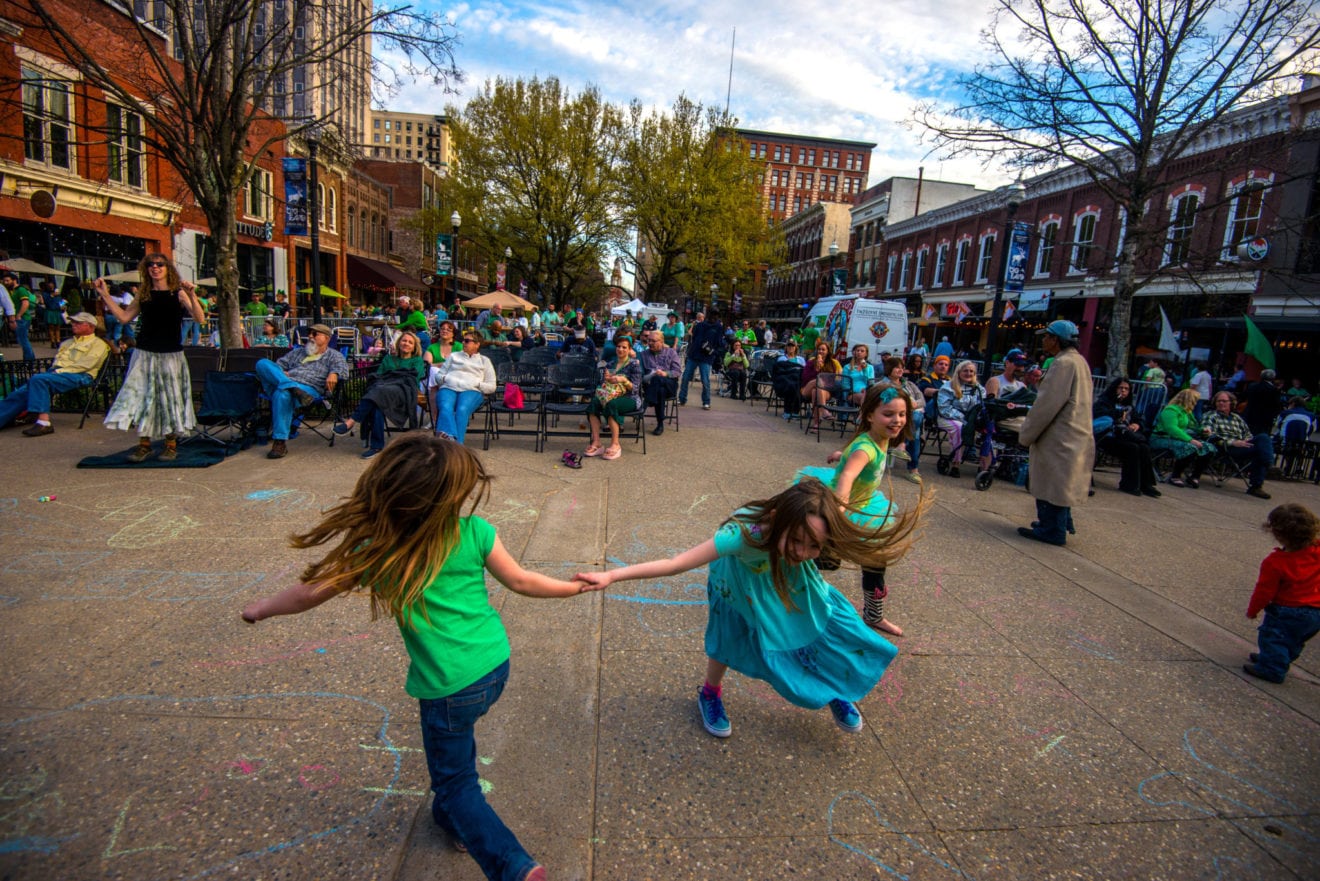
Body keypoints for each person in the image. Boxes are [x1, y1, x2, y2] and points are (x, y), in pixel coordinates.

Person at [241, 435, 591, 881]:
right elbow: (522, 582)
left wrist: (261, 608)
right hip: (494, 667)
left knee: (455, 781)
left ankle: (513, 867)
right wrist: (574, 586)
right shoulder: (475, 532)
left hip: (447, 686)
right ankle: (456, 821)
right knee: (457, 752)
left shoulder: (379, 549)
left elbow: (310, 593)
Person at [575, 479, 923, 738]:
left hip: (788, 577)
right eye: (797, 541)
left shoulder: (802, 541)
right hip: (739, 587)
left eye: (814, 546)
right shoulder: (741, 534)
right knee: (729, 639)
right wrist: (612, 575)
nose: (803, 551)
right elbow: (675, 563)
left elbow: (813, 540)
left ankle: (836, 688)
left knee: (822, 622)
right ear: (778, 519)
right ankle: (710, 693)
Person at [798, 383, 917, 636]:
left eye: (902, 414)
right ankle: (786, 590)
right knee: (824, 560)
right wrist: (836, 517)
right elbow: (846, 480)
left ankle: (873, 615)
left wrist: (841, 454)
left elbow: (856, 457)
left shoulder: (879, 438)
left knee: (875, 560)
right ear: (869, 415)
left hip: (863, 505)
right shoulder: (865, 449)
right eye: (889, 414)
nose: (897, 421)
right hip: (838, 507)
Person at [96, 254, 207, 463]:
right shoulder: (144, 294)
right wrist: (105, 295)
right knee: (142, 396)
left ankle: (170, 445)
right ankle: (144, 445)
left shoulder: (178, 293)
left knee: (170, 398)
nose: (155, 268)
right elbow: (123, 317)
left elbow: (200, 318)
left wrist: (192, 295)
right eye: (150, 265)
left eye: (160, 265)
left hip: (170, 353)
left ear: (167, 268)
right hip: (145, 352)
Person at [1017, 320, 1094, 546]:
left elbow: (1046, 405)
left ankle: (1052, 529)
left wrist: (1026, 433)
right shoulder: (1079, 361)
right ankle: (1053, 524)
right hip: (1073, 433)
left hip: (1059, 436)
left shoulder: (1063, 364)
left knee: (1052, 484)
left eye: (1046, 336)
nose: (1043, 340)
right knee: (1061, 483)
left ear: (1056, 339)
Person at [1242, 503, 1320, 684]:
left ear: (1278, 534)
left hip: (1288, 609)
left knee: (1273, 637)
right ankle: (1278, 658)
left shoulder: (1276, 562)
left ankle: (1272, 668)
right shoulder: (1316, 552)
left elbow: (1264, 591)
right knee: (1295, 639)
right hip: (1316, 611)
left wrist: (1253, 610)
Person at [0, 312, 110, 436]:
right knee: (20, 393)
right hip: (57, 373)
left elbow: (86, 365)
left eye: (78, 323)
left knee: (38, 380)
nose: (73, 324)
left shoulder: (98, 344)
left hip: (81, 375)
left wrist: (57, 372)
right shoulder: (67, 343)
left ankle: (44, 423)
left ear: (91, 326)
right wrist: (54, 372)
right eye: (73, 322)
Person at [254, 323, 348, 459]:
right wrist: (281, 373)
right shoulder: (297, 352)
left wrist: (334, 373)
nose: (310, 336)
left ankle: (280, 442)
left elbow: (343, 371)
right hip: (286, 385)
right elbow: (277, 366)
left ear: (326, 338)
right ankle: (292, 387)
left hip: (308, 389)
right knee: (262, 363)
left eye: (315, 334)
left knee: (282, 394)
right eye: (309, 333)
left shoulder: (334, 356)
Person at [334, 331, 428, 459]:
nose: (406, 343)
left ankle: (351, 421)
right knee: (377, 405)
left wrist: (392, 376)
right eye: (404, 340)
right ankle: (376, 446)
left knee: (377, 393)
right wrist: (395, 375)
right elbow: (379, 376)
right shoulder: (389, 358)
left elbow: (412, 379)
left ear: (414, 347)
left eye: (410, 342)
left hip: (403, 392)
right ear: (399, 342)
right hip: (382, 392)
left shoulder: (417, 360)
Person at [1093, 377, 1160, 497]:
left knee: (1143, 447)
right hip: (1108, 437)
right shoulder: (1104, 402)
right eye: (1121, 388)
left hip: (1126, 436)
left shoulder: (1129, 406)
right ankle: (1129, 484)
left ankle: (1146, 484)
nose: (1123, 391)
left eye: (1126, 389)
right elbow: (1100, 417)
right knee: (1132, 448)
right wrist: (1116, 413)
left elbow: (1140, 420)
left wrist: (1137, 425)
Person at [1201, 390, 1274, 499]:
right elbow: (1208, 435)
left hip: (1243, 446)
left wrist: (1245, 442)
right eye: (1218, 401)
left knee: (1263, 439)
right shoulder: (1210, 416)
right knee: (1261, 450)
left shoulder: (1237, 418)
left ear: (1231, 403)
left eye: (1224, 401)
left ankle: (1256, 486)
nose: (1221, 403)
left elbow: (1248, 434)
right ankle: (1268, 465)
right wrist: (1233, 442)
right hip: (1226, 447)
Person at [585, 335, 642, 461]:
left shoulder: (634, 365)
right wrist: (607, 379)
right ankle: (597, 443)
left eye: (624, 347)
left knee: (612, 405)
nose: (620, 349)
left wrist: (623, 380)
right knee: (594, 403)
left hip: (630, 398)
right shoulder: (611, 363)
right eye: (618, 346)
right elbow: (602, 384)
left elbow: (635, 388)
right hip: (610, 394)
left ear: (629, 349)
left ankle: (615, 444)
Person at [432, 330, 496, 444]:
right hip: (449, 387)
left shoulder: (484, 361)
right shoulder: (453, 356)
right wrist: (447, 379)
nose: (463, 343)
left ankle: (455, 444)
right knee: (446, 406)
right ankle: (451, 440)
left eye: (467, 341)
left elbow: (492, 386)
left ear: (477, 344)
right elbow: (439, 376)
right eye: (463, 340)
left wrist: (476, 383)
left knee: (462, 409)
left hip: (472, 390)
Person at [1151, 389, 1214, 488]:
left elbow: (1193, 427)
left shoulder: (1187, 412)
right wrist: (1190, 440)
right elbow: (1171, 428)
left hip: (1178, 439)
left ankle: (1195, 477)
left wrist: (1203, 430)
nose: (1196, 403)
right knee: (1190, 447)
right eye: (1195, 400)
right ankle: (1175, 476)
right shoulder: (1171, 410)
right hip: (1161, 438)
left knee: (1208, 448)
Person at [936, 360, 986, 477]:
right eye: (965, 371)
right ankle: (956, 463)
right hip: (948, 417)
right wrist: (964, 418)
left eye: (971, 371)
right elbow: (944, 409)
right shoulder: (948, 386)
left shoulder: (979, 389)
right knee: (959, 427)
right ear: (958, 372)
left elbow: (981, 406)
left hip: (970, 420)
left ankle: (984, 467)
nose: (969, 373)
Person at [879, 356, 923, 484]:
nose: (900, 370)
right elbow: (882, 402)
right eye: (897, 367)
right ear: (889, 369)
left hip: (910, 416)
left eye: (902, 368)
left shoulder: (909, 384)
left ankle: (902, 444)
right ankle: (913, 469)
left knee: (916, 418)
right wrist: (905, 405)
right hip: (893, 416)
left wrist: (915, 404)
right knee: (916, 429)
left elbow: (922, 400)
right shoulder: (883, 385)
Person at [639, 329, 681, 435]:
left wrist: (665, 374)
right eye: (649, 341)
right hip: (651, 386)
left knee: (659, 380)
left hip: (669, 385)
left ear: (661, 342)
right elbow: (641, 376)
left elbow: (677, 372)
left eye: (653, 341)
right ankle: (660, 424)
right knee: (659, 389)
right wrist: (652, 375)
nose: (650, 343)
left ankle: (647, 403)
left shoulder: (671, 352)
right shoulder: (643, 355)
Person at [679, 311, 723, 409]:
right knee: (685, 377)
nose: (713, 317)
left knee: (705, 380)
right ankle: (682, 398)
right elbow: (693, 337)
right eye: (712, 315)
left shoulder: (718, 327)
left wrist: (712, 351)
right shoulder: (700, 325)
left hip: (706, 357)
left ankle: (706, 402)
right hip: (694, 354)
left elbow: (719, 343)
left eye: (715, 316)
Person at [800, 341, 842, 430]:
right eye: (819, 349)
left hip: (825, 390)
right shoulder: (811, 361)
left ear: (828, 351)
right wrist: (817, 369)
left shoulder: (833, 363)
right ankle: (824, 411)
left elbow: (835, 380)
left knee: (816, 391)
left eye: (823, 349)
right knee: (818, 381)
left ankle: (816, 424)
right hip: (807, 387)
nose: (821, 351)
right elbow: (805, 377)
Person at [2, 270, 38, 360]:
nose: (5, 283)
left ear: (14, 280)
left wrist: (18, 315)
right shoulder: (11, 291)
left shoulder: (21, 290)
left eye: (7, 280)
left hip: (22, 318)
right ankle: (29, 358)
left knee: (23, 339)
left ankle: (29, 360)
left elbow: (25, 303)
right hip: (18, 317)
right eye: (4, 281)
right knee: (22, 339)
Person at [772, 341, 807, 419]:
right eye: (789, 346)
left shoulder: (801, 359)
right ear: (786, 348)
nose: (791, 348)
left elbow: (804, 371)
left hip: (797, 379)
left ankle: (793, 411)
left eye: (792, 346)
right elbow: (779, 372)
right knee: (790, 385)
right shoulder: (781, 358)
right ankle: (789, 411)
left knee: (796, 385)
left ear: (796, 348)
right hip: (785, 379)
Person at [41, 281, 66, 348]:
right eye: (50, 286)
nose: (51, 288)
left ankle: (58, 341)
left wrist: (63, 305)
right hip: (50, 311)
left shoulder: (58, 295)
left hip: (57, 311)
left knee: (58, 327)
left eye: (52, 286)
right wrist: (51, 296)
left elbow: (61, 301)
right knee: (51, 327)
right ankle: (52, 341)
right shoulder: (45, 294)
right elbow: (46, 302)